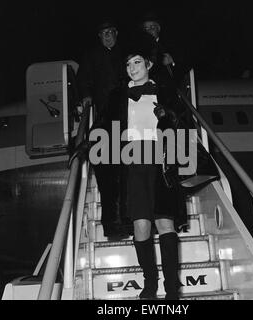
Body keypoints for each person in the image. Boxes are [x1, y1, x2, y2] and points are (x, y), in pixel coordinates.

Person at [97, 36, 188, 299]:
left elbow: (183, 125)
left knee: (165, 222)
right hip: (132, 162)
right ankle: (150, 283)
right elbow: (103, 125)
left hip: (160, 162)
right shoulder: (117, 95)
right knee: (141, 226)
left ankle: (173, 287)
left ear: (148, 64)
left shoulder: (165, 91)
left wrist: (170, 117)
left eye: (137, 62)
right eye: (128, 64)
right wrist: (85, 145)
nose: (132, 68)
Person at [76, 19, 128, 239]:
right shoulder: (92, 56)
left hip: (126, 120)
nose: (107, 36)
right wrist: (86, 96)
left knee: (127, 175)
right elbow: (83, 80)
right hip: (103, 123)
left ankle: (128, 222)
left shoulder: (126, 54)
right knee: (107, 178)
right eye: (103, 33)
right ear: (99, 37)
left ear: (116, 33)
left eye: (110, 32)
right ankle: (111, 226)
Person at [139, 11, 191, 88]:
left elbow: (186, 66)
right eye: (146, 28)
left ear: (158, 29)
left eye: (152, 27)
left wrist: (172, 61)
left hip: (166, 91)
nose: (149, 31)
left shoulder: (170, 46)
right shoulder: (138, 48)